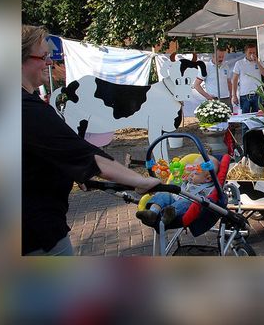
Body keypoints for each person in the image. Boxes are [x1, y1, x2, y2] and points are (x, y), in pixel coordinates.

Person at [22, 25, 161, 255]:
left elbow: (38, 153)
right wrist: (142, 181)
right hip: (37, 232)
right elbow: (83, 154)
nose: (49, 63)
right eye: (44, 56)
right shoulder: (27, 109)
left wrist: (72, 172)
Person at [137, 154, 220, 227]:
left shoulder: (209, 188)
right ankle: (152, 213)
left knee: (185, 203)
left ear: (208, 178)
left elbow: (211, 198)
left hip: (188, 204)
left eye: (195, 173)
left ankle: (169, 214)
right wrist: (183, 178)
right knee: (163, 195)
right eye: (191, 171)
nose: (191, 174)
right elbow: (177, 183)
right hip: (175, 197)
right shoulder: (191, 180)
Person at [231, 43, 264, 114]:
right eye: (250, 52)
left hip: (258, 94)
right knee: (245, 116)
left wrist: (257, 62)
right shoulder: (239, 63)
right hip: (244, 95)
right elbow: (235, 80)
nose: (252, 54)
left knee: (258, 115)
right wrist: (234, 95)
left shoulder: (260, 62)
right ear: (245, 53)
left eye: (254, 52)